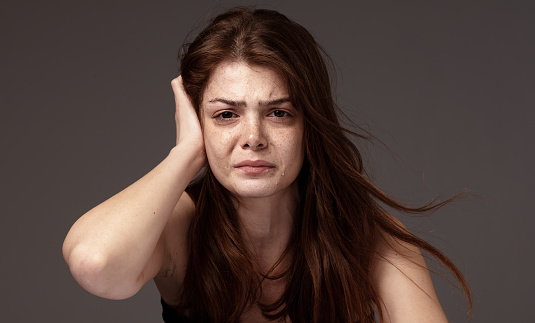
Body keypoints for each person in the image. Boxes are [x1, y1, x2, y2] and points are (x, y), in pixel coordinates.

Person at [62, 7, 472, 323]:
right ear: (197, 122)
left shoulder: (367, 236)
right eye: (226, 115)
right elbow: (95, 265)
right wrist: (185, 155)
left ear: (309, 122)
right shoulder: (178, 226)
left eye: (278, 113)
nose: (253, 136)